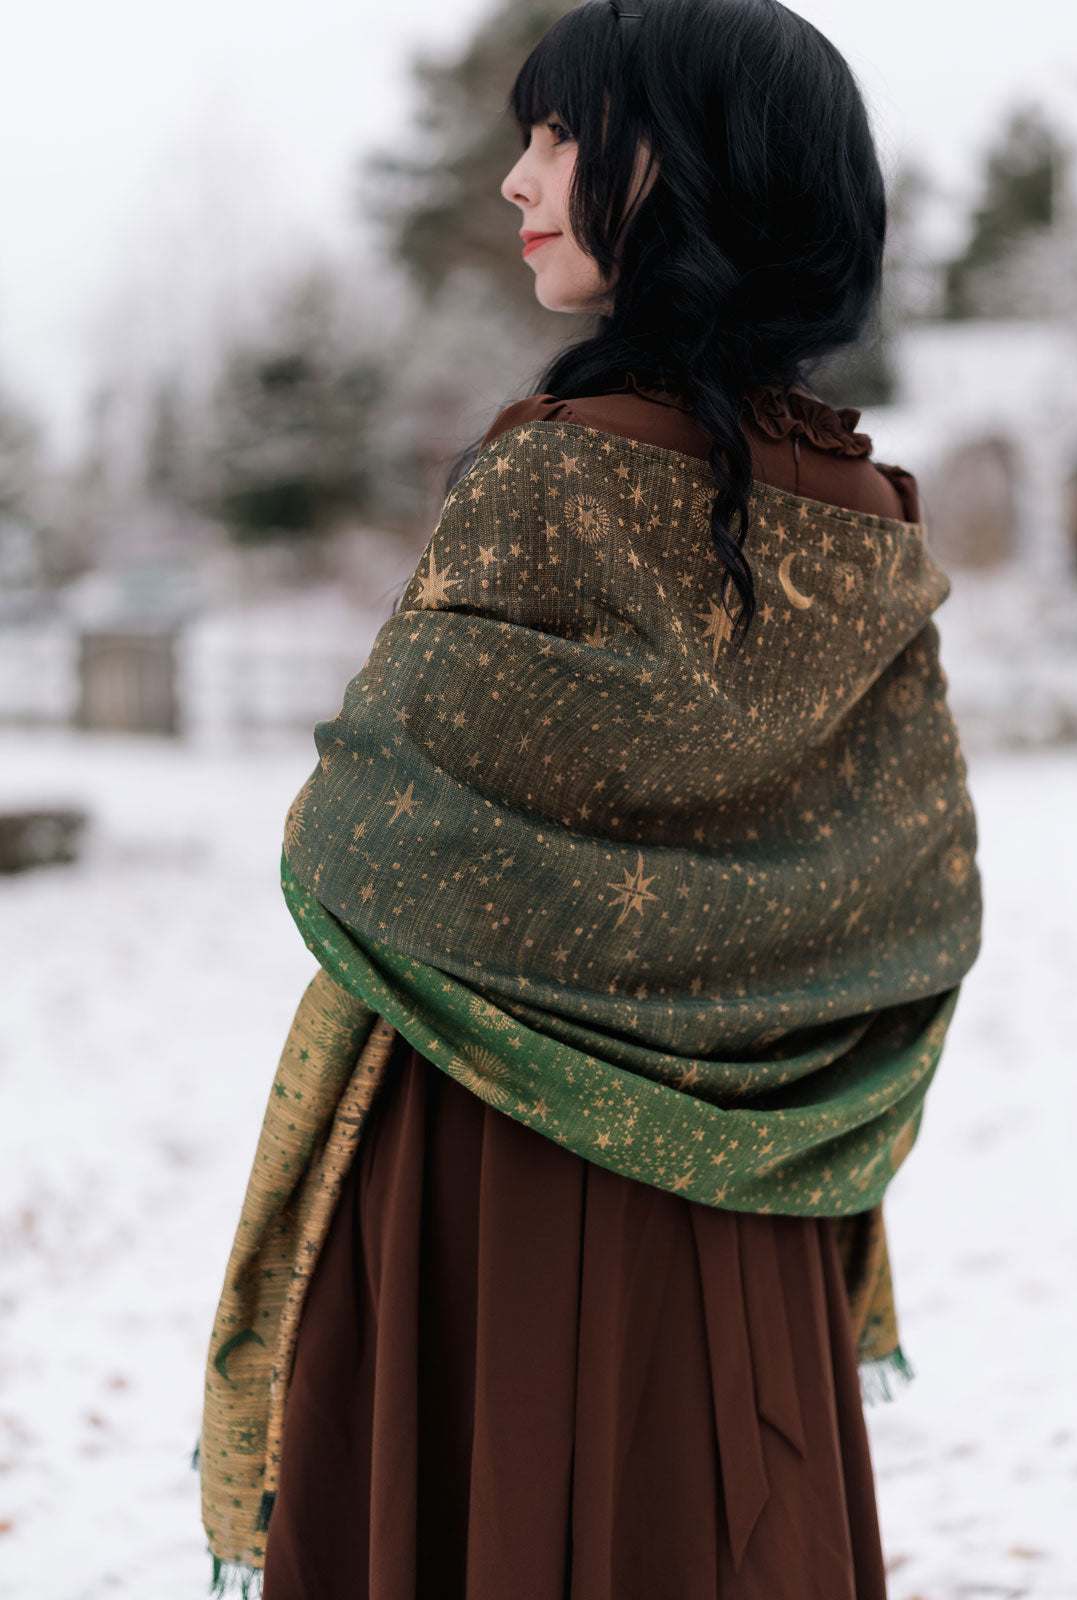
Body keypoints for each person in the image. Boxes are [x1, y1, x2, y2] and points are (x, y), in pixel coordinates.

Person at [197, 2, 984, 1597]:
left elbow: (361, 833)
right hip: (756, 1192)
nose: (516, 180)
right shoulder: (862, 517)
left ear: (688, 168)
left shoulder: (549, 477)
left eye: (560, 135)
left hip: (485, 1178)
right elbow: (911, 883)